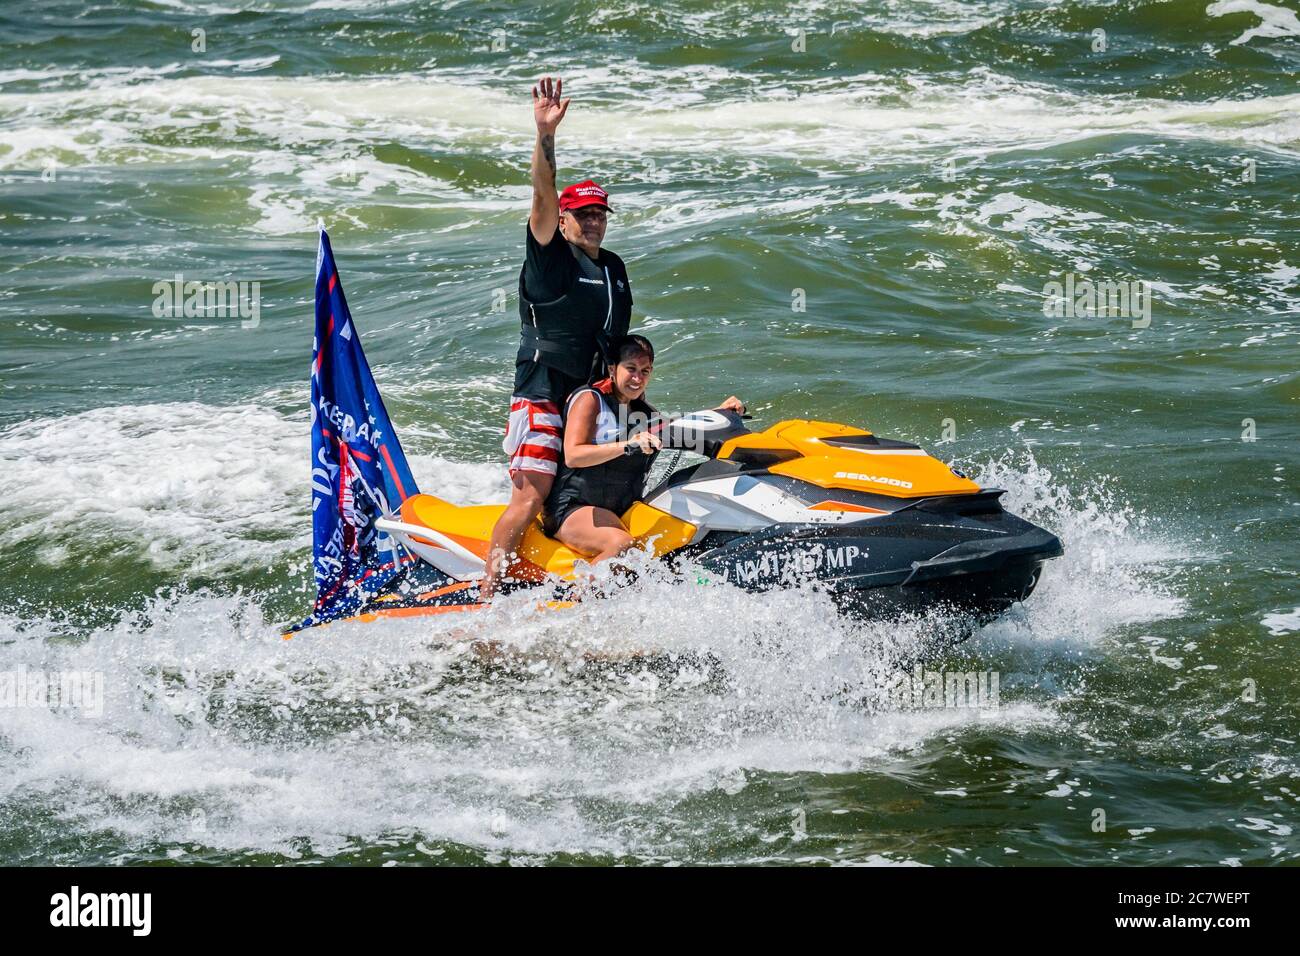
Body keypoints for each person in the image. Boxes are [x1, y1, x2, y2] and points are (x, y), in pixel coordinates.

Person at [480, 75, 634, 599]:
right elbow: (542, 193)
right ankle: (487, 595)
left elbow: (621, 344)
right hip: (543, 392)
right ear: (563, 220)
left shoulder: (613, 269)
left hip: (588, 397)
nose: (593, 222)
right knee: (530, 498)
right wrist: (545, 135)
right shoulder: (550, 259)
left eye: (599, 214)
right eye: (582, 214)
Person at [543, 334, 744, 564]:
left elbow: (680, 427)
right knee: (622, 545)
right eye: (631, 369)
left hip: (616, 509)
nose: (637, 378)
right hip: (572, 508)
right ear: (612, 369)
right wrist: (629, 445)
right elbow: (574, 455)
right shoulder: (590, 400)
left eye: (645, 371)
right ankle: (578, 600)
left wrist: (721, 412)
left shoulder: (645, 414)